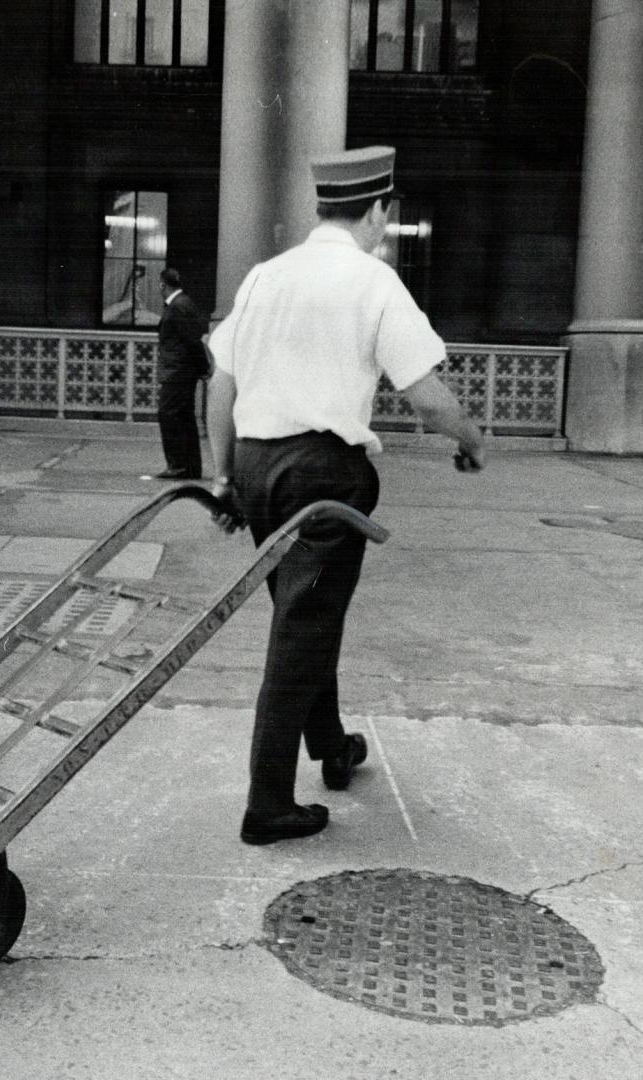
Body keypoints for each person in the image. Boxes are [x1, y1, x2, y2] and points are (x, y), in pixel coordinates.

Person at [205, 145, 485, 845]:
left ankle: (330, 744)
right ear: (380, 212)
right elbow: (426, 397)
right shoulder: (373, 281)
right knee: (301, 629)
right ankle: (267, 804)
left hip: (255, 463)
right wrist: (470, 438)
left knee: (307, 612)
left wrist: (221, 475)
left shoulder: (265, 276)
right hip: (321, 473)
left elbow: (220, 383)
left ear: (322, 207)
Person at [153, 267, 210, 479]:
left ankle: (178, 465)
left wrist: (203, 368)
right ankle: (190, 467)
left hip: (178, 372)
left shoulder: (178, 307)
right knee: (184, 417)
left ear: (162, 285)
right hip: (182, 371)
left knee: (169, 414)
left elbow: (191, 340)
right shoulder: (184, 304)